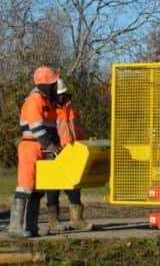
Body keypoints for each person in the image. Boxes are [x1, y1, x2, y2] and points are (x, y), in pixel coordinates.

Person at [8, 65, 61, 237]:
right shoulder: (35, 100)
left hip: (43, 149)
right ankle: (16, 227)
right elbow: (37, 127)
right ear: (45, 84)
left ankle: (31, 226)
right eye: (53, 83)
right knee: (25, 186)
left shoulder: (48, 102)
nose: (56, 86)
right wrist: (51, 146)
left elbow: (52, 129)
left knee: (38, 189)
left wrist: (54, 146)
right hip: (31, 146)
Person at [46, 78, 91, 232]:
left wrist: (84, 143)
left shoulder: (70, 107)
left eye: (62, 93)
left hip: (71, 151)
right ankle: (53, 221)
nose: (61, 96)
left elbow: (77, 127)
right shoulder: (48, 107)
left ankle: (77, 219)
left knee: (73, 185)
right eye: (59, 93)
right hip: (54, 152)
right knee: (52, 187)